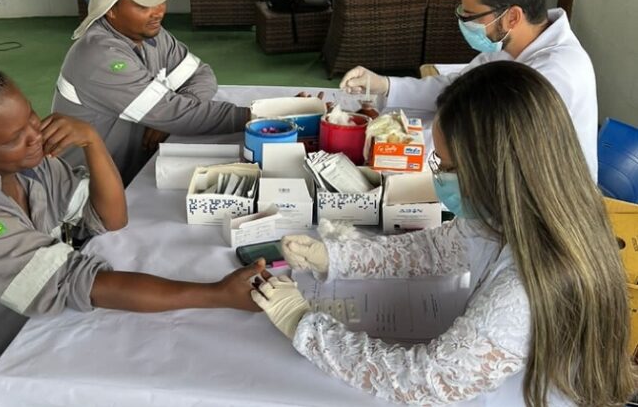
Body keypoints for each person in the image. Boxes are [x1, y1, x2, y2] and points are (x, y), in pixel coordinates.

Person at [0, 57, 264, 406]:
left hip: (24, 334)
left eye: (30, 118)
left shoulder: (27, 164)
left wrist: (92, 141)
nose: (35, 137)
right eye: (14, 137)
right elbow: (76, 282)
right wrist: (215, 294)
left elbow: (109, 219)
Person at [252, 61, 632, 406]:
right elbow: (436, 248)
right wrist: (335, 257)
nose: (438, 176)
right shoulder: (521, 214)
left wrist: (305, 326)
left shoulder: (526, 289)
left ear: (498, 171)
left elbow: (424, 380)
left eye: (448, 166)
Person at [339, 0, 599, 178]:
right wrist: (385, 85)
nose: (464, 23)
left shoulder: (556, 73)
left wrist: (392, 145)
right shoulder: (511, 45)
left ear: (512, 17)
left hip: (546, 206)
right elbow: (456, 91)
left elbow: (482, 139)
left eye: (472, 15)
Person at [53, 0, 252, 185]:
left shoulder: (152, 35)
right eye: (143, 4)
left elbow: (201, 74)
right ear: (111, 9)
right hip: (88, 192)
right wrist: (256, 117)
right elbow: (180, 115)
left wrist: (170, 116)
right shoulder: (99, 56)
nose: (158, 11)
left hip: (137, 169)